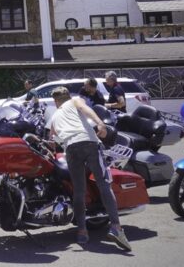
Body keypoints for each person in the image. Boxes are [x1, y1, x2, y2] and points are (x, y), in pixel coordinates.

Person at [47, 87, 132, 251]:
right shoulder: (75, 100)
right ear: (68, 96)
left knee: (79, 191)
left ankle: (82, 231)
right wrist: (100, 123)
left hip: (71, 149)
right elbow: (85, 109)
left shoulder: (54, 115)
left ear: (55, 101)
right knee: (103, 185)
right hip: (89, 143)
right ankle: (116, 228)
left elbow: (52, 139)